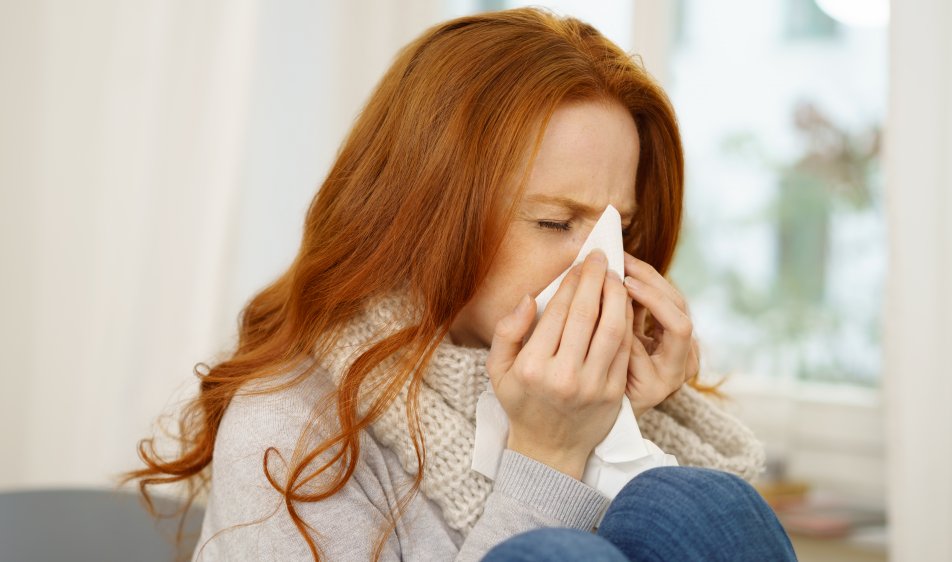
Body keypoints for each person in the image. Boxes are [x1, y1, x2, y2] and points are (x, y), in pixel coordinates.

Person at [123, 7, 796, 561]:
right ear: (423, 216)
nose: (601, 266)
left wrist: (626, 419)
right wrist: (550, 455)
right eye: (556, 220)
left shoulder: (602, 397)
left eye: (619, 229)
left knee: (698, 502)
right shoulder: (292, 423)